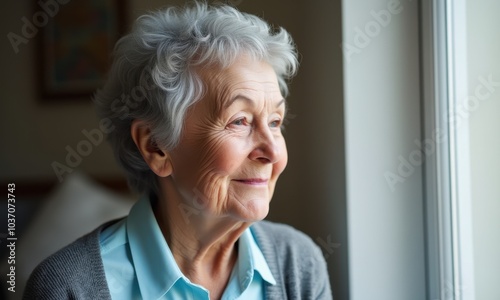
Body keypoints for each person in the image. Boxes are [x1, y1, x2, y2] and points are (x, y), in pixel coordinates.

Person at [24, 2, 332, 299]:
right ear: (155, 146)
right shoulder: (66, 287)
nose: (273, 152)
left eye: (275, 121)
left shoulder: (299, 263)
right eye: (240, 121)